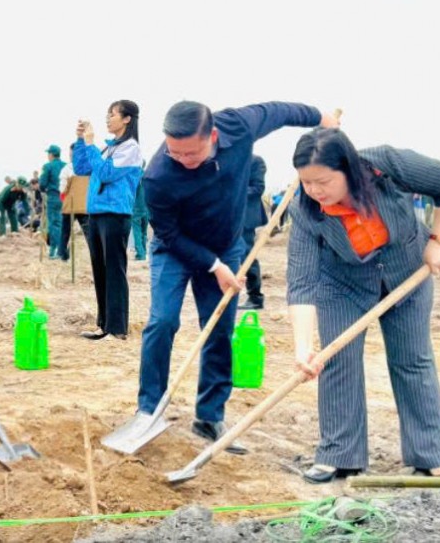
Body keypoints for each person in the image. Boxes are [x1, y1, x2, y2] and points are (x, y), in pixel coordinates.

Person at [138, 100, 340, 454]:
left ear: (213, 135)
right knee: (162, 321)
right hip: (175, 250)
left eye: (190, 153)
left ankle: (209, 415)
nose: (182, 160)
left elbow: (280, 112)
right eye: (174, 152)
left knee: (219, 329)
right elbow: (167, 233)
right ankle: (148, 410)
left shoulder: (239, 125)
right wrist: (213, 266)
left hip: (225, 244)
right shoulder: (158, 175)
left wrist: (321, 119)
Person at [287, 128, 440, 482]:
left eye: (322, 181)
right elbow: (302, 282)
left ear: (348, 170)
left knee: (412, 360)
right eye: (306, 182)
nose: (315, 191)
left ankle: (430, 456)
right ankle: (339, 455)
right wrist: (304, 348)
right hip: (343, 283)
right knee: (336, 360)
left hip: (405, 271)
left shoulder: (385, 164)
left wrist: (439, 239)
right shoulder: (305, 209)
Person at [72, 100, 143, 340]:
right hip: (97, 214)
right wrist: (81, 141)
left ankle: (117, 328)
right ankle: (104, 325)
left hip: (115, 214)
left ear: (127, 119)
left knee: (114, 271)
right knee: (100, 270)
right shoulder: (108, 148)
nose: (107, 119)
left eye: (112, 114)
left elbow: (106, 173)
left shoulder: (130, 148)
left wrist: (91, 144)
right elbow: (82, 167)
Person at [237, 154, 268, 310]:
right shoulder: (227, 160)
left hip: (246, 218)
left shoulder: (255, 161)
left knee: (247, 256)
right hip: (228, 215)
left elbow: (258, 188)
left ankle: (255, 297)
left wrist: (233, 191)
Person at [57, 147, 89, 261]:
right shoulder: (89, 168)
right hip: (84, 206)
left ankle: (62, 254)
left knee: (65, 231)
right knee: (88, 233)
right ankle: (95, 254)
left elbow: (62, 189)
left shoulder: (67, 169)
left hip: (70, 205)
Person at [38, 145, 67, 259]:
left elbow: (42, 183)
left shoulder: (48, 166)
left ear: (51, 155)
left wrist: (43, 190)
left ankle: (55, 250)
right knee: (61, 223)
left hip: (53, 197)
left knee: (53, 223)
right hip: (65, 198)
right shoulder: (66, 166)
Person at [131, 167, 150, 262]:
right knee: (144, 231)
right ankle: (144, 251)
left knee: (137, 231)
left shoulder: (135, 175)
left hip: (137, 207)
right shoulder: (148, 175)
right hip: (147, 208)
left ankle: (140, 254)